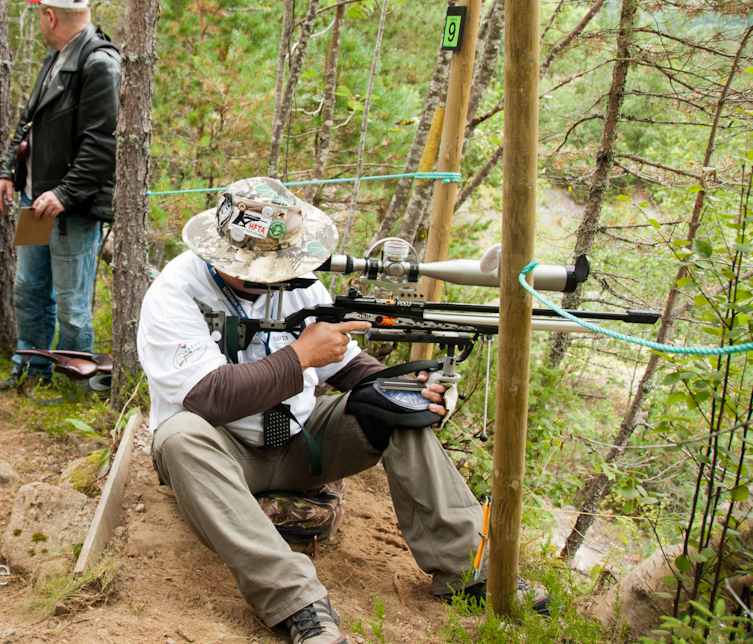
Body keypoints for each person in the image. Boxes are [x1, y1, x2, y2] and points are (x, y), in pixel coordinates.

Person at [138, 178, 544, 644]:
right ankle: (299, 603)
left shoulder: (300, 284)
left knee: (391, 404)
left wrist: (406, 387)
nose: (270, 272)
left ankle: (471, 569)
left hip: (296, 442)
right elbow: (209, 396)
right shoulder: (174, 293)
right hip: (222, 455)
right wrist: (300, 356)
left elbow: (349, 362)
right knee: (178, 435)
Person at [0, 0, 119, 389]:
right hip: (35, 203)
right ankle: (32, 369)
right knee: (28, 290)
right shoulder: (56, 57)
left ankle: (75, 386)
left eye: (39, 15)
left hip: (72, 209)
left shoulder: (99, 63)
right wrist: (8, 171)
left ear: (50, 16)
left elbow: (102, 146)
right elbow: (27, 120)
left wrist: (64, 194)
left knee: (72, 307)